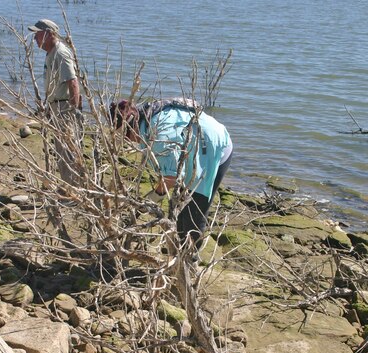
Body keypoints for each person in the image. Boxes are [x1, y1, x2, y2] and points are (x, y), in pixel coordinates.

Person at [110, 98, 233, 246]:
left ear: (130, 127)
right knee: (180, 208)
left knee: (193, 213)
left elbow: (171, 178)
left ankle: (189, 262)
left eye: (124, 136)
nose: (127, 141)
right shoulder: (148, 120)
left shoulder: (159, 137)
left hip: (214, 148)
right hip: (192, 147)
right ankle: (180, 252)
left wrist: (153, 198)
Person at [28, 19, 82, 185]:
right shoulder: (51, 52)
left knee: (68, 151)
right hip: (56, 106)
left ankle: (74, 190)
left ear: (48, 34)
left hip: (64, 107)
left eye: (37, 34)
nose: (35, 38)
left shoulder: (60, 52)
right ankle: (68, 186)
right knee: (61, 150)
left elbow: (73, 83)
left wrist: (73, 112)